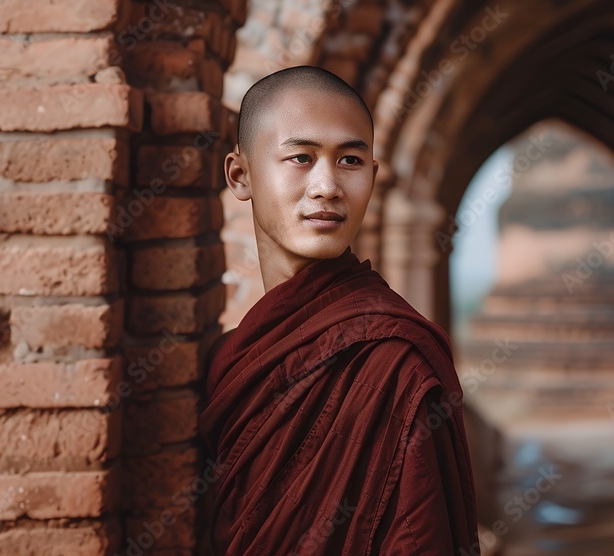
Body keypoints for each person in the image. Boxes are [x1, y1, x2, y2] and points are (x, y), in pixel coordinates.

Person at [199, 66, 479, 555]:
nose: (327, 185)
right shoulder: (232, 359)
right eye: (300, 157)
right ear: (239, 175)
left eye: (349, 160)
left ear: (371, 177)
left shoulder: (395, 359)